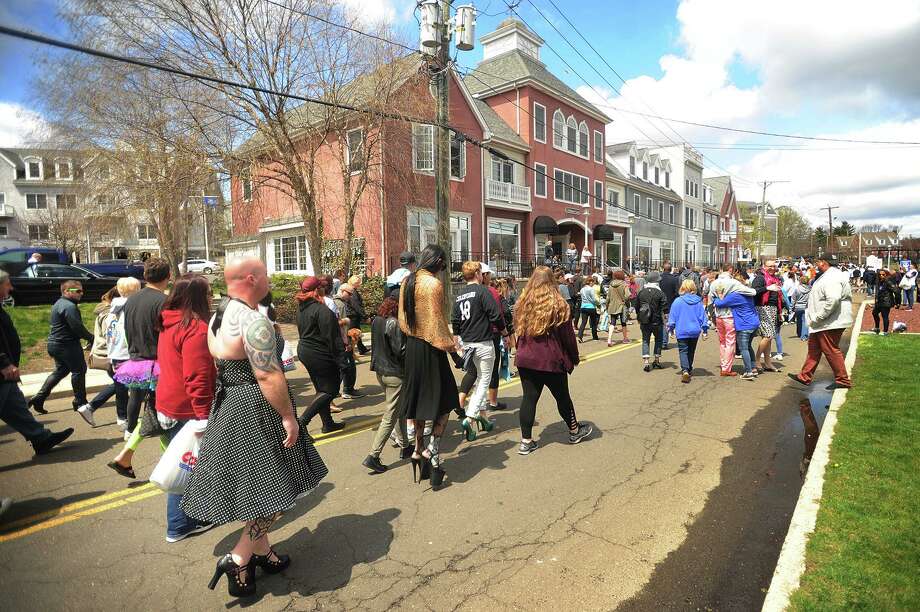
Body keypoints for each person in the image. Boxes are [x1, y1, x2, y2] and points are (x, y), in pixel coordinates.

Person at [182, 259, 327, 598]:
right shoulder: (253, 322)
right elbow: (267, 375)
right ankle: (239, 557)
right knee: (278, 493)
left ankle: (263, 553)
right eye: (264, 275)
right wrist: (289, 417)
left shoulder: (219, 315)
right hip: (256, 408)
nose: (268, 280)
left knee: (257, 491)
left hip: (230, 403)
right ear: (251, 278)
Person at [154, 274, 216, 543]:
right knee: (187, 466)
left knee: (187, 466)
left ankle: (194, 514)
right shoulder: (196, 328)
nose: (212, 297)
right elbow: (197, 377)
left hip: (167, 403)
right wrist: (204, 416)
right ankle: (179, 524)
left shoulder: (170, 320)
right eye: (209, 293)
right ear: (198, 298)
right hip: (187, 410)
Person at [398, 244, 459, 490]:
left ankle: (417, 450)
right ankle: (432, 450)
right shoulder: (433, 284)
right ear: (438, 262)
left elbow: (402, 318)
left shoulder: (407, 281)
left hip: (412, 347)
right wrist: (452, 348)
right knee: (446, 400)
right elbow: (437, 321)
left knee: (420, 402)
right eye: (443, 264)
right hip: (431, 348)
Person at [513, 266, 592, 455]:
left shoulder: (522, 303)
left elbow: (518, 331)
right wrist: (574, 357)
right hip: (550, 359)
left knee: (529, 399)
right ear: (552, 281)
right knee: (562, 396)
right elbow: (568, 337)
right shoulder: (559, 304)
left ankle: (526, 441)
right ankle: (574, 431)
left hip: (526, 359)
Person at [0, 270, 74, 454]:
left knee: (15, 406)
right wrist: (3, 362)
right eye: (7, 283)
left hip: (6, 374)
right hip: (2, 369)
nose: (11, 287)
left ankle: (41, 438)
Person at [451, 261, 507, 443]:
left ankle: (482, 419)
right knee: (484, 380)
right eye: (481, 272)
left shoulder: (459, 295)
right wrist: (505, 333)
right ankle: (470, 417)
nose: (483, 275)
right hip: (483, 342)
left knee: (477, 379)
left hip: (467, 343)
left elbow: (455, 320)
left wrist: (457, 340)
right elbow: (496, 315)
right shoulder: (483, 291)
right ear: (476, 273)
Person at [119, 258, 170, 435]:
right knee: (160, 397)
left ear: (145, 275)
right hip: (157, 357)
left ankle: (130, 429)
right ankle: (162, 429)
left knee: (135, 395)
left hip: (136, 355)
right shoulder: (164, 301)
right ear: (168, 276)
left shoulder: (131, 300)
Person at [28, 280, 94, 415]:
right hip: (66, 345)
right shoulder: (69, 306)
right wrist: (92, 338)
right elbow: (77, 328)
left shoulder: (59, 303)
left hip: (55, 344)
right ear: (66, 291)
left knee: (61, 370)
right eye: (77, 291)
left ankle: (39, 398)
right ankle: (80, 402)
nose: (81, 293)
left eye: (81, 290)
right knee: (79, 370)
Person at [789, 257, 854, 391]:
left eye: (817, 262)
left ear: (823, 262)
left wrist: (819, 317)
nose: (815, 265)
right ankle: (805, 376)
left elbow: (833, 299)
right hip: (823, 322)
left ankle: (842, 379)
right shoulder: (828, 276)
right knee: (814, 348)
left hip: (829, 322)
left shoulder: (832, 277)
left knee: (830, 349)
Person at [362, 296, 411, 474]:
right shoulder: (394, 324)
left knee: (399, 410)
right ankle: (373, 456)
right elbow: (401, 350)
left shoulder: (377, 321)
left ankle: (405, 446)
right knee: (390, 416)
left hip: (380, 371)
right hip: (395, 373)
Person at [296, 276, 346, 434]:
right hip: (318, 353)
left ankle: (328, 423)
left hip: (305, 350)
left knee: (321, 389)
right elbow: (332, 337)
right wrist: (342, 359)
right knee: (330, 390)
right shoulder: (322, 310)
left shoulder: (302, 308)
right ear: (318, 289)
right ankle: (302, 422)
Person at [708, 266, 756, 377]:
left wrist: (712, 315)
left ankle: (723, 363)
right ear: (730, 270)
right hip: (730, 316)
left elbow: (710, 300)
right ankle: (726, 368)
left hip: (718, 315)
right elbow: (752, 292)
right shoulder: (733, 283)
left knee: (722, 342)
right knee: (730, 342)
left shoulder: (714, 283)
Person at [667, 280, 709, 383]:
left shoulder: (677, 301)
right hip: (695, 330)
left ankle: (685, 370)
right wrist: (704, 330)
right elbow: (703, 317)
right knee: (691, 350)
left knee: (683, 350)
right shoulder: (698, 301)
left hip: (682, 329)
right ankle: (689, 368)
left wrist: (671, 329)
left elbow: (672, 317)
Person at [752, 260, 783, 373]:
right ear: (764, 267)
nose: (772, 268)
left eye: (774, 266)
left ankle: (768, 362)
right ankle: (756, 360)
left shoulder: (775, 279)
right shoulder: (760, 278)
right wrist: (767, 288)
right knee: (769, 335)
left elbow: (779, 296)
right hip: (763, 308)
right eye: (769, 266)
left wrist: (780, 312)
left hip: (773, 309)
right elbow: (754, 291)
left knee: (769, 337)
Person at [333, 284, 363, 399]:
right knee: (348, 366)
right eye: (349, 293)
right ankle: (347, 390)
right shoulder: (339, 304)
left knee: (343, 366)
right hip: (342, 340)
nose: (350, 296)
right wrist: (346, 342)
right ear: (342, 290)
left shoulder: (336, 301)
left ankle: (337, 391)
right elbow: (337, 324)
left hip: (340, 340)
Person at [636, 271, 668, 372]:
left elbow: (637, 306)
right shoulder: (660, 293)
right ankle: (656, 360)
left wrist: (639, 317)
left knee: (645, 340)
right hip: (656, 320)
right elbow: (665, 307)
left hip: (644, 320)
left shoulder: (642, 292)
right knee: (658, 340)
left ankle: (646, 362)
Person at [345, 275, 369, 355]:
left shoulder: (352, 291)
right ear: (354, 283)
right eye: (358, 283)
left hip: (352, 315)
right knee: (353, 335)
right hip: (353, 316)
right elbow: (356, 306)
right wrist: (365, 316)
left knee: (356, 333)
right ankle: (351, 352)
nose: (360, 284)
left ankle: (361, 348)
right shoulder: (353, 292)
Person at [605, 269, 630, 346]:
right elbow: (627, 295)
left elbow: (608, 297)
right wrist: (625, 300)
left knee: (612, 323)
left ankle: (609, 340)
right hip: (622, 306)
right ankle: (625, 338)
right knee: (623, 322)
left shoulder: (611, 284)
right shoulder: (624, 284)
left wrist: (607, 305)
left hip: (613, 305)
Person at [871, 269, 898, 335]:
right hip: (879, 302)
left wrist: (897, 302)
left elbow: (896, 291)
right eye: (880, 274)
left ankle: (885, 331)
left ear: (886, 275)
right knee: (874, 313)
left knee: (885, 316)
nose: (881, 276)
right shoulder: (879, 281)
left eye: (883, 274)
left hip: (886, 302)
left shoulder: (888, 281)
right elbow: (878, 292)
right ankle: (877, 328)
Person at [577, 276, 600, 342]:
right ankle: (595, 336)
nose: (593, 284)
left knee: (583, 322)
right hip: (591, 307)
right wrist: (597, 303)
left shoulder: (582, 289)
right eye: (593, 282)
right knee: (593, 323)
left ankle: (580, 335)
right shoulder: (591, 289)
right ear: (590, 282)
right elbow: (593, 299)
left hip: (583, 306)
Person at [792, 275, 812, 341]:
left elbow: (793, 299)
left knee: (799, 320)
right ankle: (804, 336)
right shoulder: (810, 289)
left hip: (798, 307)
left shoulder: (797, 289)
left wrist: (792, 307)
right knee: (805, 321)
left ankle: (799, 333)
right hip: (806, 307)